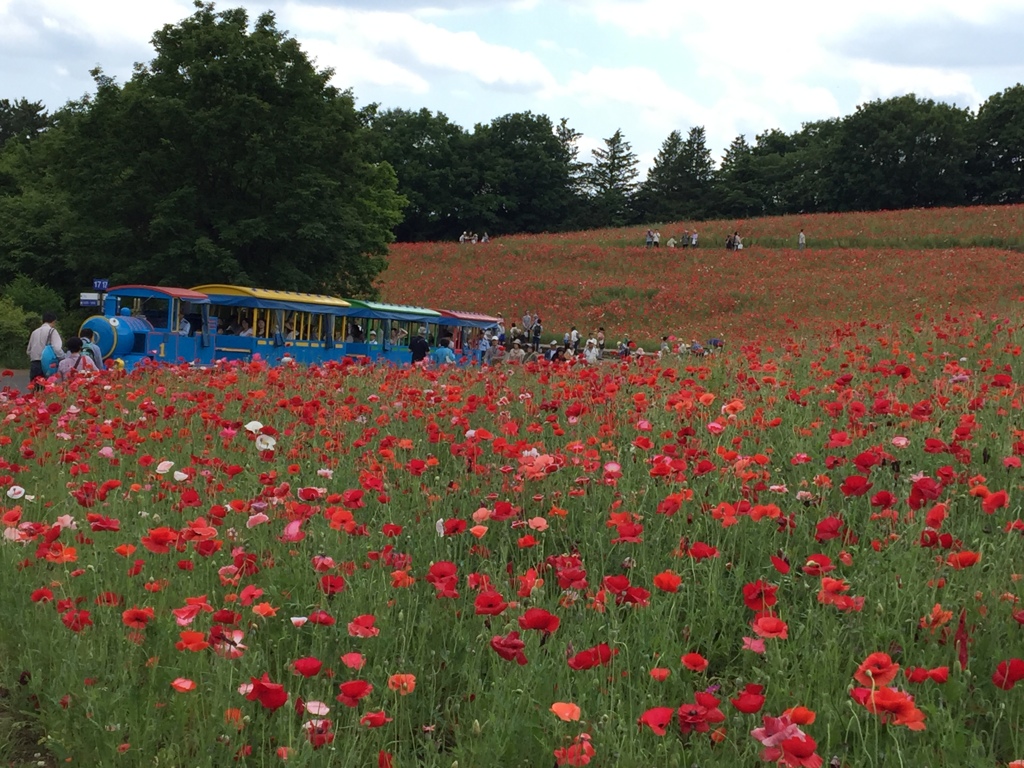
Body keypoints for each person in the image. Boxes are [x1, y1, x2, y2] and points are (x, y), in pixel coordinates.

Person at [27, 311, 64, 385]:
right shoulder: (52, 331)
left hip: (34, 364)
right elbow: (57, 348)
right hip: (47, 364)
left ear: (42, 321)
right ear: (54, 321)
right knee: (47, 390)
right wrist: (63, 357)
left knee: (35, 390)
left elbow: (28, 351)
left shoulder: (34, 332)